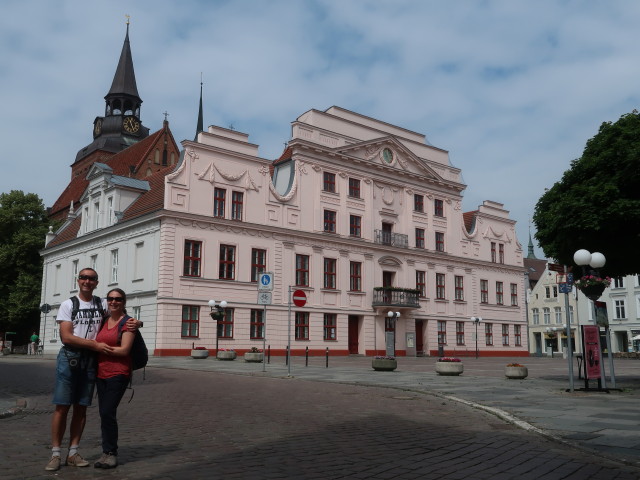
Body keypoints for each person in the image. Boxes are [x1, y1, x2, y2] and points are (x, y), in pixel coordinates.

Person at [45, 268, 139, 472]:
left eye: (92, 278)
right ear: (78, 280)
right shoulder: (68, 304)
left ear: (97, 283)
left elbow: (121, 313)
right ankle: (55, 453)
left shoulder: (102, 303)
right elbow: (66, 337)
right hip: (70, 357)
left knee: (81, 408)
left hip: (90, 362)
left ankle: (73, 452)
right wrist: (95, 345)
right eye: (84, 277)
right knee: (62, 407)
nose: (87, 281)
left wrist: (137, 322)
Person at [94, 288, 135, 469]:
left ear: (123, 302)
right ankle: (106, 451)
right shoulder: (103, 320)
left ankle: (111, 453)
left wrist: (99, 348)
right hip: (101, 372)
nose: (113, 302)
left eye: (118, 299)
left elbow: (124, 350)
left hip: (118, 373)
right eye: (110, 298)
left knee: (107, 412)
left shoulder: (128, 323)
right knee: (104, 412)